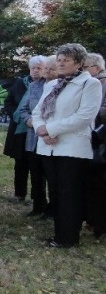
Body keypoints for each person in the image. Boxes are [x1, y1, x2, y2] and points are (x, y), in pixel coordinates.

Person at [31, 43, 101, 248]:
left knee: (70, 193)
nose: (60, 64)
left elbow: (84, 116)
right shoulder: (51, 85)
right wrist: (42, 129)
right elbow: (37, 112)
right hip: (48, 146)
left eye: (66, 61)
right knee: (56, 192)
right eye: (59, 60)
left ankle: (68, 238)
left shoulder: (90, 84)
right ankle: (58, 235)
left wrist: (51, 129)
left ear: (79, 64)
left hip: (72, 147)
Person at [19, 56, 55, 217]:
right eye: (44, 69)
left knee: (52, 176)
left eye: (48, 69)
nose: (45, 72)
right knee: (36, 174)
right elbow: (23, 109)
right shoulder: (34, 87)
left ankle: (53, 209)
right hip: (33, 138)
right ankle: (38, 206)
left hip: (52, 138)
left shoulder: (59, 87)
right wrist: (28, 119)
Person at [2, 60, 37, 202]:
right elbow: (8, 102)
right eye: (33, 67)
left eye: (39, 68)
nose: (36, 70)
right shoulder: (20, 83)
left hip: (36, 129)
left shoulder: (45, 85)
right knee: (20, 162)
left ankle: (37, 198)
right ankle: (19, 193)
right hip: (18, 128)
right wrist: (16, 115)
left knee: (36, 165)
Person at [83, 52, 106, 238]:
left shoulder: (101, 83)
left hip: (101, 141)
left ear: (96, 68)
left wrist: (89, 109)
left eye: (86, 67)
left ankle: (99, 224)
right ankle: (92, 220)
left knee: (99, 183)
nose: (83, 70)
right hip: (91, 140)